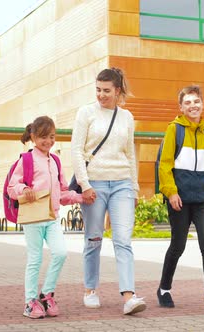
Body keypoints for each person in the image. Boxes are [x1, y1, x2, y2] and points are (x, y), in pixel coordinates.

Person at [71, 67, 146, 315]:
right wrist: (85, 185)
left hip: (122, 182)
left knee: (123, 240)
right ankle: (90, 289)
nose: (101, 95)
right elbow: (76, 152)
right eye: (98, 90)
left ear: (117, 91)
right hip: (95, 184)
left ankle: (128, 296)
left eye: (106, 91)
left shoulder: (126, 117)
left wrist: (134, 188)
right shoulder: (86, 113)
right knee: (93, 239)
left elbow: (130, 154)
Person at [157, 85, 204, 316]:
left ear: (202, 104)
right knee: (178, 245)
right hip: (179, 198)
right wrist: (171, 192)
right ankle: (164, 288)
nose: (193, 106)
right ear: (181, 107)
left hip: (202, 198)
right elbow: (165, 163)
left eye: (196, 101)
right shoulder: (174, 130)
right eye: (188, 102)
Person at [7, 115, 86, 319]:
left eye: (51, 136)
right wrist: (24, 188)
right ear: (33, 137)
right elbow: (12, 187)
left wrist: (81, 197)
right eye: (43, 137)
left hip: (52, 218)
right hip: (33, 218)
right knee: (35, 259)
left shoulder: (56, 161)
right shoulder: (26, 160)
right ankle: (30, 301)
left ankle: (46, 294)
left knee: (60, 253)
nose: (48, 141)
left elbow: (62, 192)